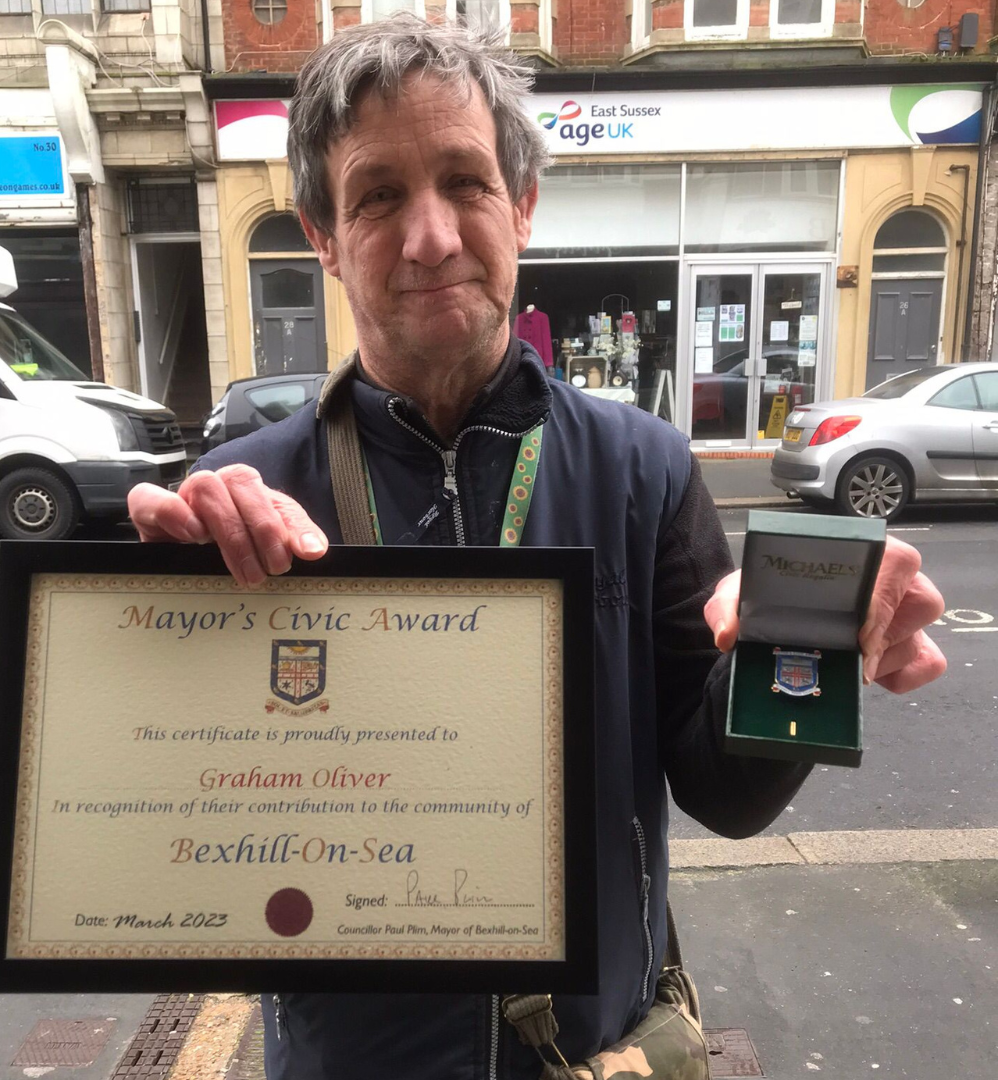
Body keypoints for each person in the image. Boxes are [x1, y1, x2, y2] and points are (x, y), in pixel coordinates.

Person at [128, 16, 947, 1080]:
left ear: (520, 206)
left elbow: (725, 794)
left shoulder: (643, 467)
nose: (430, 237)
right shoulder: (253, 490)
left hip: (591, 1060)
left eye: (465, 182)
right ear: (321, 235)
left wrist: (806, 637)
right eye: (378, 196)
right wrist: (161, 614)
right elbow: (183, 840)